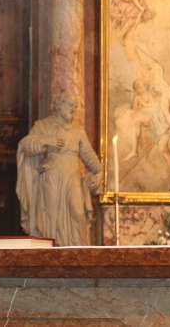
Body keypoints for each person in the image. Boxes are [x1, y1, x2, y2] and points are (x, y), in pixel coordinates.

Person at [16, 96, 101, 246]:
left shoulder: (78, 130)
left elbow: (88, 155)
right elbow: (26, 145)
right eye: (70, 104)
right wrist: (47, 141)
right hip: (52, 175)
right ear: (58, 105)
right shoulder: (43, 126)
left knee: (78, 212)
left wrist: (99, 172)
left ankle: (78, 250)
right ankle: (52, 252)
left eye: (75, 106)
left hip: (72, 176)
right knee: (51, 215)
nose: (73, 109)